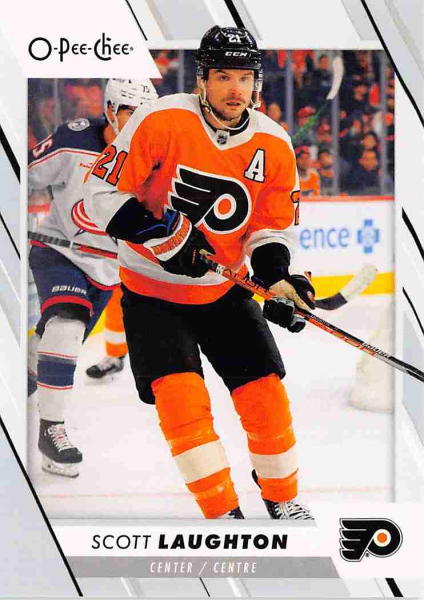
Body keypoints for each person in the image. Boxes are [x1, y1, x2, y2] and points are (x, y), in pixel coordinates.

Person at [85, 26, 315, 520]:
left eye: (245, 78)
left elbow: (270, 227)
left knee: (266, 397)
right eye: (224, 76)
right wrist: (161, 237)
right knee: (183, 407)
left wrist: (276, 277)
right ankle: (223, 512)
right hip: (151, 295)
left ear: (257, 83)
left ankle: (282, 497)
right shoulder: (160, 119)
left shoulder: (274, 144)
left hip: (223, 289)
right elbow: (100, 192)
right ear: (202, 80)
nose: (236, 89)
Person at [28, 78, 158, 478]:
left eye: (145, 114)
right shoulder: (74, 140)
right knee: (67, 326)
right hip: (59, 251)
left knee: (48, 348)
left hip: (107, 270)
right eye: (129, 112)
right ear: (110, 110)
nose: (138, 121)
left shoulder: (158, 156)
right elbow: (21, 175)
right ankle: (51, 432)